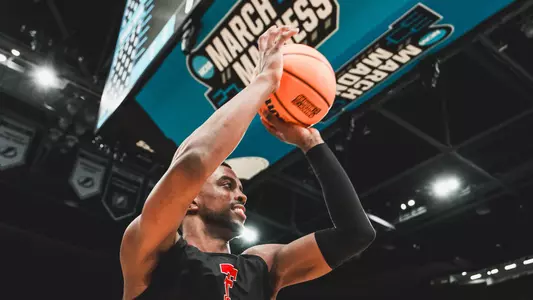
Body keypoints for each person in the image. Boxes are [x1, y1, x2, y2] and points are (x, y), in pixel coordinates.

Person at [120, 25, 376, 300]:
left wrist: (311, 143)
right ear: (191, 200)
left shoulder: (262, 267)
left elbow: (356, 234)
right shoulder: (154, 249)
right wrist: (264, 82)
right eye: (227, 184)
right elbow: (191, 163)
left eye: (239, 188)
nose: (241, 195)